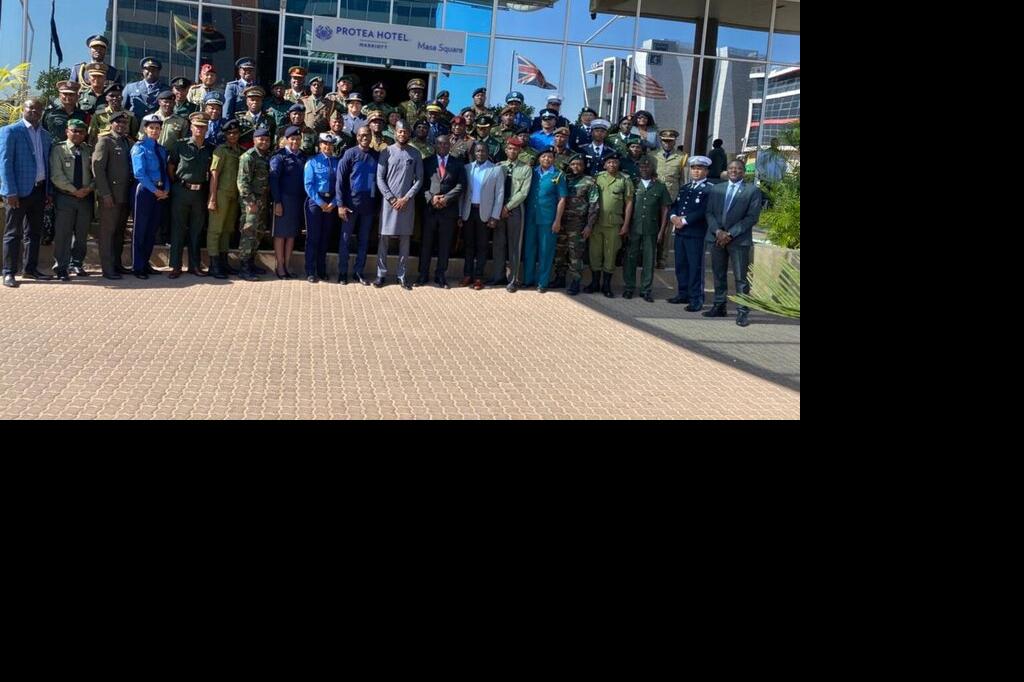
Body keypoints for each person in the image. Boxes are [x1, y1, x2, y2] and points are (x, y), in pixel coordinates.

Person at [1, 98, 54, 287]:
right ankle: (9, 272)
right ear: (23, 109)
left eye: (38, 109)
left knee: (34, 233)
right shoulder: (11, 131)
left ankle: (30, 269)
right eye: (31, 108)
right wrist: (10, 191)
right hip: (17, 192)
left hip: (39, 190)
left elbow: (47, 164)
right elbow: (5, 163)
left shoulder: (45, 135)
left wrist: (48, 191)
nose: (34, 111)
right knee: (13, 233)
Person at [704, 160, 762, 326]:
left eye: (738, 168)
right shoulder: (717, 189)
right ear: (727, 171)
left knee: (740, 278)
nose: (734, 171)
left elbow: (752, 217)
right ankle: (719, 306)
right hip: (717, 238)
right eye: (731, 168)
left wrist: (730, 234)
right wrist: (718, 232)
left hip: (739, 240)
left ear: (743, 172)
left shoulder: (752, 191)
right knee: (719, 274)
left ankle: (742, 312)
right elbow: (709, 213)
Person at [374, 120, 423, 288]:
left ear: (409, 134)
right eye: (400, 131)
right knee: (384, 238)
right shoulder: (386, 152)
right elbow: (379, 178)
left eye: (406, 132)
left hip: (406, 203)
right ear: (395, 132)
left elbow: (419, 179)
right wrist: (391, 198)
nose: (403, 134)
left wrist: (406, 198)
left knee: (405, 239)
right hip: (389, 202)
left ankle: (401, 275)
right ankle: (381, 274)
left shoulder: (415, 153)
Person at [167, 112, 213, 278]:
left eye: (203, 127)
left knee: (196, 230)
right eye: (196, 126)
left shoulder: (210, 148)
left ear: (207, 129)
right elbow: (171, 167)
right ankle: (175, 266)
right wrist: (178, 184)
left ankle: (194, 265)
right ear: (191, 127)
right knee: (178, 229)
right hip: (181, 191)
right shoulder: (180, 145)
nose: (199, 129)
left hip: (200, 193)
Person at [416, 134, 464, 289]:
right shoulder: (426, 162)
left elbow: (461, 185)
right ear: (435, 145)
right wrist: (431, 198)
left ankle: (441, 275)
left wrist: (446, 199)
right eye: (440, 144)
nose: (443, 146)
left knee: (445, 244)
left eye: (445, 144)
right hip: (430, 209)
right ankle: (423, 274)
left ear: (450, 146)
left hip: (448, 210)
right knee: (426, 244)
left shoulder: (458, 163)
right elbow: (420, 184)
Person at [49, 118, 94, 281]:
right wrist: (74, 191)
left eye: (81, 132)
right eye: (74, 131)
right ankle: (61, 267)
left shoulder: (89, 150)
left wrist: (89, 188)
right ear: (67, 131)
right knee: (63, 234)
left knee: (82, 234)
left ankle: (77, 263)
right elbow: (56, 175)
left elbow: (96, 173)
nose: (77, 134)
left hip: (85, 197)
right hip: (66, 197)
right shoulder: (58, 149)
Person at [666, 155, 713, 310]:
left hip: (695, 233)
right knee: (681, 265)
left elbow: (704, 210)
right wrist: (673, 217)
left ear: (706, 171)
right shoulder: (685, 188)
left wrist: (684, 220)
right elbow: (675, 205)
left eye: (699, 168)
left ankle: (696, 298)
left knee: (695, 267)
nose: (696, 171)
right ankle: (683, 293)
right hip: (680, 233)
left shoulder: (709, 189)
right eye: (693, 168)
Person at [92, 109, 135, 279]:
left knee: (119, 233)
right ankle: (108, 268)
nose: (121, 125)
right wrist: (105, 194)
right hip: (110, 196)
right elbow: (98, 168)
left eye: (124, 122)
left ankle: (117, 264)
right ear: (111, 124)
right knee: (107, 233)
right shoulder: (105, 141)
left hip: (124, 195)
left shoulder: (128, 142)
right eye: (118, 122)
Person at [622, 157, 671, 302]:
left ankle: (646, 290)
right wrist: (625, 225)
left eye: (647, 167)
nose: (644, 169)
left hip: (651, 228)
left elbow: (665, 209)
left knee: (649, 260)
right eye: (642, 167)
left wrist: (662, 231)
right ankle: (629, 287)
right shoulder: (633, 184)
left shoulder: (660, 187)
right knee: (630, 258)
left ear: (652, 169)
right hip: (634, 227)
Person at [458, 140, 504, 289]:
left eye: (483, 151)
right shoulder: (467, 168)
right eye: (477, 151)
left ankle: (478, 277)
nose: (480, 153)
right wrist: (460, 214)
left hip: (485, 213)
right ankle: (467, 275)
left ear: (488, 152)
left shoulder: (496, 170)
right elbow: (462, 193)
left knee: (482, 246)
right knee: (468, 245)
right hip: (468, 211)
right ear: (474, 153)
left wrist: (495, 216)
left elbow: (499, 194)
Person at [336, 125, 379, 286]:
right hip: (350, 206)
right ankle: (342, 272)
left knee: (364, 241)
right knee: (345, 240)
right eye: (361, 135)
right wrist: (340, 204)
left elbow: (380, 181)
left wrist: (378, 206)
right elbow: (340, 180)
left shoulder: (376, 155)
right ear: (357, 137)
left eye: (367, 135)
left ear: (371, 136)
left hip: (369, 207)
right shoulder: (350, 153)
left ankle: (358, 272)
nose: (365, 137)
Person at [130, 113, 170, 279]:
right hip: (145, 190)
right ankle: (138, 266)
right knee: (141, 229)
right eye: (151, 128)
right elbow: (139, 173)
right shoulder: (139, 148)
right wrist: (155, 190)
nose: (154, 131)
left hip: (159, 191)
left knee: (152, 230)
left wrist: (166, 189)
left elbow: (164, 171)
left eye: (157, 128)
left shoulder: (161, 149)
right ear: (145, 129)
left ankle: (145, 263)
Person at [521, 147, 566, 293]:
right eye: (544, 156)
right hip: (530, 217)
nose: (546, 159)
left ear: (554, 159)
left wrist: (557, 220)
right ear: (539, 158)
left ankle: (542, 282)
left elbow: (562, 199)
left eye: (550, 157)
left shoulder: (558, 175)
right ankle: (528, 280)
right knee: (529, 249)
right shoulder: (532, 172)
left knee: (545, 251)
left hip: (548, 219)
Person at [588, 153, 633, 297]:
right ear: (604, 165)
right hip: (596, 222)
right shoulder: (597, 177)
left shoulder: (624, 179)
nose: (612, 165)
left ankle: (606, 285)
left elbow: (629, 203)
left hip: (614, 224)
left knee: (610, 254)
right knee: (594, 254)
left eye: (615, 162)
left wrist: (626, 225)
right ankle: (595, 283)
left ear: (618, 164)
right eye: (609, 162)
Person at [490, 137, 532, 292]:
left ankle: (513, 279)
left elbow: (523, 192)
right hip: (498, 208)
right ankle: (498, 276)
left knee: (515, 245)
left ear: (519, 151)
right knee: (498, 243)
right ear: (506, 150)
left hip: (515, 209)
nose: (512, 151)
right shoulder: (498, 166)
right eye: (510, 148)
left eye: (515, 149)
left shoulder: (526, 169)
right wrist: (498, 208)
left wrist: (507, 207)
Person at [206, 119, 244, 279]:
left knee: (227, 230)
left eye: (235, 133)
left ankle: (223, 262)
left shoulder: (240, 151)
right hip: (221, 194)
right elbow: (214, 175)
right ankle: (214, 265)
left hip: (234, 195)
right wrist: (212, 197)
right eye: (229, 133)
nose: (232, 136)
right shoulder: (221, 150)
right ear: (225, 135)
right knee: (215, 230)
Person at [269, 126, 307, 278]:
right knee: (280, 234)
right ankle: (279, 266)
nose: (295, 142)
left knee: (291, 234)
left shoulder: (302, 156)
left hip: (297, 200)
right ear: (286, 140)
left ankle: (287, 264)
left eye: (298, 139)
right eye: (292, 139)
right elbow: (274, 180)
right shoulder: (279, 156)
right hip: (283, 200)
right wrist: (277, 201)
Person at [236, 127, 273, 280]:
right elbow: (242, 182)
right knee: (248, 233)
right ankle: (244, 267)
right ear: (254, 140)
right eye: (261, 139)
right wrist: (250, 202)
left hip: (263, 200)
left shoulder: (267, 156)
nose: (264, 142)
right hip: (251, 202)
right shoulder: (248, 157)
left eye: (266, 140)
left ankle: (251, 262)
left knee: (258, 232)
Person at [303, 132, 340, 283]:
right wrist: (321, 203)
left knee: (325, 238)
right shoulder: (312, 161)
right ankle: (310, 271)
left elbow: (340, 185)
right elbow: (308, 185)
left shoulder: (337, 162)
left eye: (330, 144)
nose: (328, 147)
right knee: (313, 237)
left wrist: (334, 202)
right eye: (325, 144)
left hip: (331, 203)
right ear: (320, 145)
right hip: (315, 202)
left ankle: (321, 270)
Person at [560, 153, 599, 296]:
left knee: (575, 254)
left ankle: (575, 281)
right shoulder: (564, 179)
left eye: (579, 164)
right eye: (573, 164)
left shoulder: (589, 181)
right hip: (561, 222)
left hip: (578, 224)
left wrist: (589, 225)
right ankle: (559, 278)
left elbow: (594, 205)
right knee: (559, 252)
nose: (576, 167)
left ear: (583, 166)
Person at [653, 129, 687, 269]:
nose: (667, 143)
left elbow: (683, 180)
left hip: (671, 198)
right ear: (661, 141)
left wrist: (681, 200)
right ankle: (649, 257)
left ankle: (662, 258)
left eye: (670, 141)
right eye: (665, 141)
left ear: (674, 142)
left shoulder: (681, 157)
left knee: (666, 230)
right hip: (654, 197)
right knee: (651, 227)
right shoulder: (652, 155)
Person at [87, 82, 139, 146]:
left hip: (123, 148)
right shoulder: (98, 115)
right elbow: (92, 136)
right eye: (112, 96)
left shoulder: (130, 116)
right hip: (104, 147)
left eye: (118, 96)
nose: (115, 98)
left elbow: (134, 136)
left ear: (122, 98)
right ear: (106, 98)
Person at [43, 81, 88, 146]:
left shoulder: (83, 115)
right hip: (54, 150)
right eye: (65, 94)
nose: (68, 97)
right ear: (59, 95)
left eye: (71, 94)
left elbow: (87, 135)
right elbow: (42, 133)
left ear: (77, 96)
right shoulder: (50, 113)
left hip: (77, 150)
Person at [123, 57, 168, 121]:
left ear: (158, 71)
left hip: (155, 125)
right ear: (143, 71)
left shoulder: (166, 90)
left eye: (154, 69)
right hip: (134, 124)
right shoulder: (130, 87)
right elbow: (123, 108)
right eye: (148, 69)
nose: (150, 72)